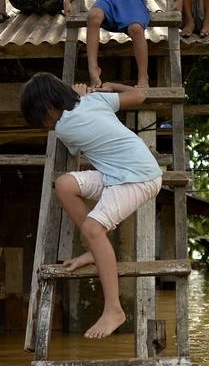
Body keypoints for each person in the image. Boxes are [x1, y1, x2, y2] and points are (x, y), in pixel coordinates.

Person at [20, 73, 163, 339]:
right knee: (65, 184)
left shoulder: (65, 128)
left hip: (138, 178)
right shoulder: (96, 100)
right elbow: (140, 95)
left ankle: (114, 309)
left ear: (51, 108)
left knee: (93, 228)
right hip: (118, 174)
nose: (48, 128)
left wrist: (86, 96)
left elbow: (72, 119)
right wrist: (110, 86)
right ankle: (92, 251)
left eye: (44, 121)